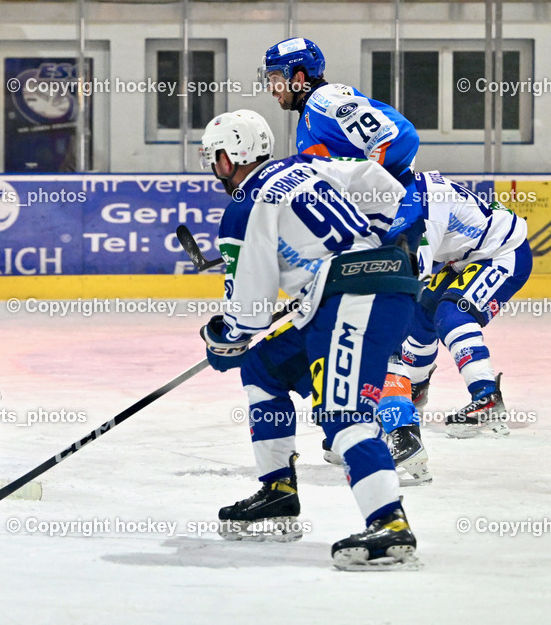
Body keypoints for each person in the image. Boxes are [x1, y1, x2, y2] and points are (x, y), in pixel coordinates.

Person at [200, 109, 421, 570]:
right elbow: (380, 183)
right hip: (362, 289)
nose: (216, 169)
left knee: (344, 416)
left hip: (355, 298)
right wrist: (380, 235)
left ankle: (390, 524)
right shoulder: (307, 166)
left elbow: (251, 309)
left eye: (217, 157)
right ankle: (278, 489)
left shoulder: (245, 205)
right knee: (264, 367)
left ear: (236, 153)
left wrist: (225, 335)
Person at [260, 37, 429, 483]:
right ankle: (363, 432)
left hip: (393, 238)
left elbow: (400, 136)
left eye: (277, 79)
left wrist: (376, 195)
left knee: (371, 344)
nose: (274, 89)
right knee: (349, 343)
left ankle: (399, 437)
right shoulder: (310, 119)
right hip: (382, 239)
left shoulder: (325, 101)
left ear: (299, 77)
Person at [395, 172, 531, 438]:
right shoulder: (408, 191)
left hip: (503, 252)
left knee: (453, 314)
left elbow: (414, 277)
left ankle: (486, 396)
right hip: (467, 257)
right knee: (422, 314)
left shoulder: (421, 209)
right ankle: (413, 388)